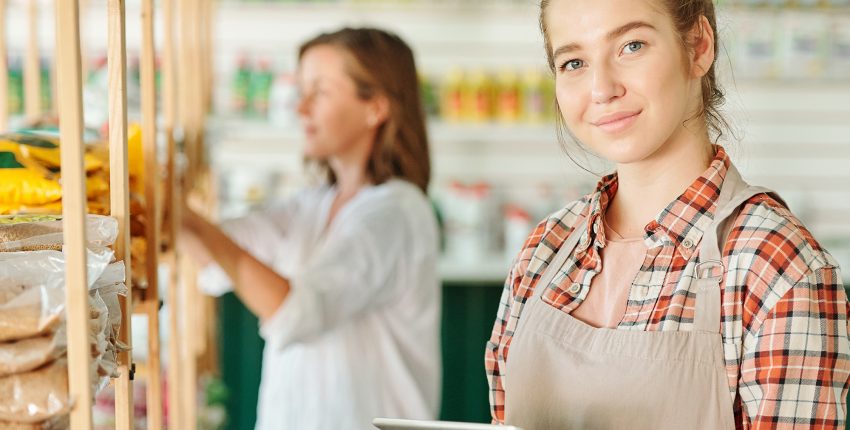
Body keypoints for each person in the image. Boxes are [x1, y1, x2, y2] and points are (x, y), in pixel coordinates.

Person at [485, 1, 849, 429]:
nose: (601, 88)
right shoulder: (543, 251)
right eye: (574, 62)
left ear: (698, 46)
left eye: (631, 45)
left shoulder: (777, 267)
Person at [180, 28, 441, 430]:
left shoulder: (397, 216)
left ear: (376, 108)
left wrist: (190, 218)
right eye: (301, 90)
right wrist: (163, 207)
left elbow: (294, 312)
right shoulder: (313, 205)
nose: (300, 108)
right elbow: (218, 252)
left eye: (319, 92)